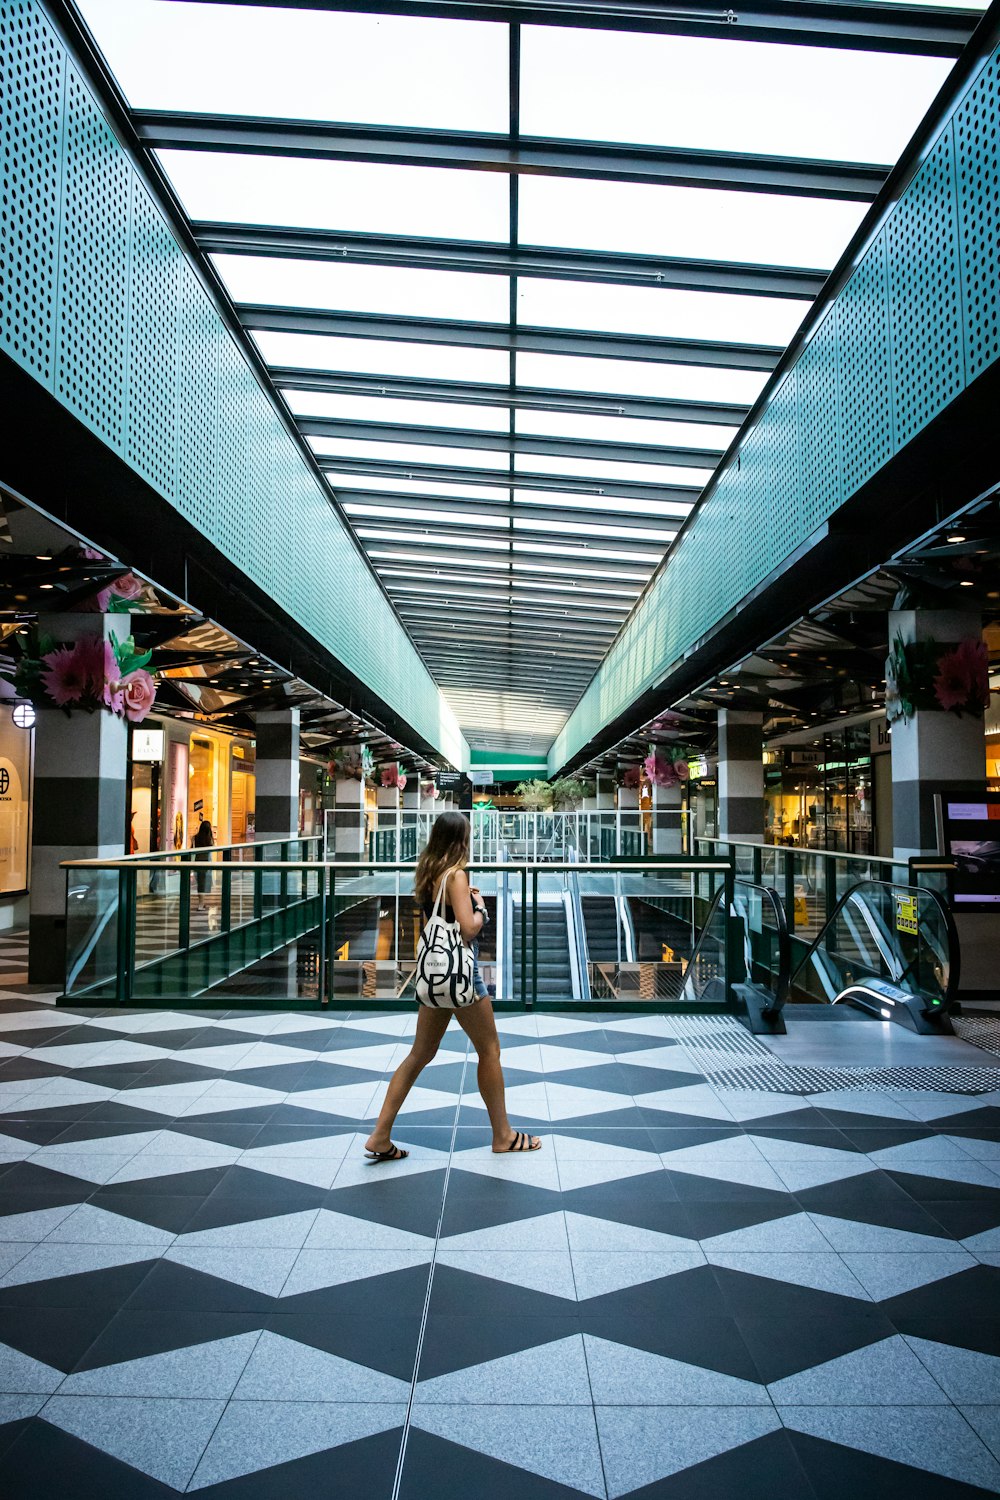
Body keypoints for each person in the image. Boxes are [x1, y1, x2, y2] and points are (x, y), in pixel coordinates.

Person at [365, 810, 541, 1161]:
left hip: (434, 975)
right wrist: (479, 907)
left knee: (419, 1053)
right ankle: (503, 1135)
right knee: (489, 1050)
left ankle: (380, 1135)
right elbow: (468, 928)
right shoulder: (456, 875)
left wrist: (464, 897)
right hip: (462, 977)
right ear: (461, 839)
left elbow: (438, 917)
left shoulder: (429, 873)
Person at [191, 811, 214, 911]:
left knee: (200, 883)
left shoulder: (195, 838)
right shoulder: (209, 839)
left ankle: (202, 903)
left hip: (197, 862)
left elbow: (191, 849)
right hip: (206, 862)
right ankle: (201, 904)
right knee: (203, 884)